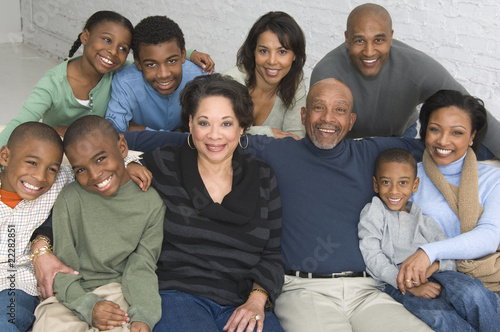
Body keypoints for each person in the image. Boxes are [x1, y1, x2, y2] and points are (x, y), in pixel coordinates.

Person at [120, 77, 433, 331]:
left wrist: (257, 298)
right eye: (204, 123)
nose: (215, 134)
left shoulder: (266, 173)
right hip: (199, 294)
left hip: (270, 296)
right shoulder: (170, 163)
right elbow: (115, 161)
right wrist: (124, 161)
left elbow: (435, 146)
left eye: (226, 124)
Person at [310, 3, 500, 158]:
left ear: (391, 37)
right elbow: (317, 130)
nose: (369, 52)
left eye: (378, 40)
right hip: (346, 141)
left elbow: (469, 110)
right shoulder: (327, 72)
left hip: (399, 137)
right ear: (347, 38)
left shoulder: (416, 67)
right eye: (359, 40)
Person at [32, 115, 165, 332]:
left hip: (121, 291)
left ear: (122, 147)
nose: (94, 175)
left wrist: (144, 313)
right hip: (72, 295)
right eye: (81, 169)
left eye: (100, 158)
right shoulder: (70, 198)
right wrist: (88, 305)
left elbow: (142, 266)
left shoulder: (151, 204)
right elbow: (62, 266)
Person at [359, 148, 500, 331]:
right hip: (396, 281)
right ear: (376, 185)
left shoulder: (423, 218)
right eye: (386, 182)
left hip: (438, 273)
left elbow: (449, 257)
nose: (394, 191)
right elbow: (372, 256)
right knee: (439, 316)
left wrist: (431, 268)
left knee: (474, 292)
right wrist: (409, 285)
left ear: (415, 185)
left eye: (403, 183)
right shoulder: (373, 212)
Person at [396, 90, 500, 297]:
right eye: (435, 129)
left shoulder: (493, 178)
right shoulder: (408, 177)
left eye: (457, 132)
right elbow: (397, 233)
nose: (443, 141)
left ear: (472, 136)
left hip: (487, 278)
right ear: (424, 131)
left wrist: (430, 252)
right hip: (429, 281)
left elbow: (489, 237)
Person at [0, 10, 133, 146]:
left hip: (99, 149)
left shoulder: (121, 71)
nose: (114, 51)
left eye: (123, 48)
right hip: (58, 151)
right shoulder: (53, 83)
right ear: (85, 37)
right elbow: (20, 124)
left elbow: (150, 65)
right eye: (107, 40)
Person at [0, 122, 72, 332]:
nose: (41, 177)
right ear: (5, 157)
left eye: (51, 169)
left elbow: (98, 166)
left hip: (16, 285)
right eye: (32, 162)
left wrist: (130, 163)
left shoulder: (59, 182)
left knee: (5, 322)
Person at [105, 16, 212, 133]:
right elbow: (115, 134)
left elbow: (212, 132)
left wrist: (142, 130)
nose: (163, 74)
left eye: (171, 61)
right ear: (138, 63)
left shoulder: (202, 78)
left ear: (183, 55)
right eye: (151, 64)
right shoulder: (124, 82)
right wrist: (184, 137)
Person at [224, 11, 306, 139]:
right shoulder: (231, 83)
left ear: (295, 55)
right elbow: (221, 133)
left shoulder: (295, 84)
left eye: (282, 52)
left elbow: (295, 139)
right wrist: (267, 134)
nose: (272, 61)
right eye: (264, 51)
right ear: (253, 52)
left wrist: (248, 134)